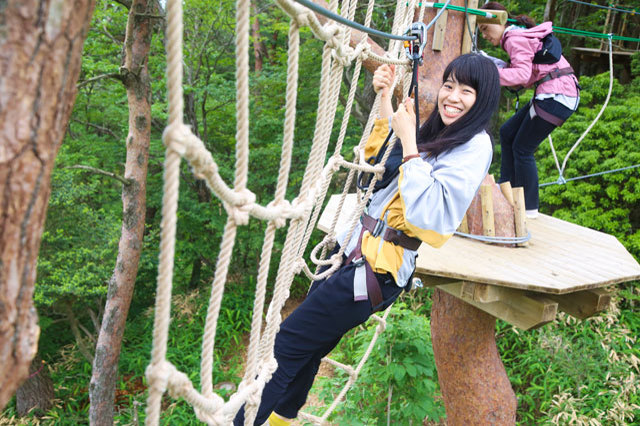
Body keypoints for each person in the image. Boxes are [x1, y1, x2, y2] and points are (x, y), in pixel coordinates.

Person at [233, 53, 500, 426]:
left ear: (482, 99)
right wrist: (386, 101)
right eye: (449, 86)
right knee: (309, 349)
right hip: (355, 252)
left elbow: (432, 216)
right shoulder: (441, 133)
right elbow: (380, 169)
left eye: (466, 91)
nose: (452, 96)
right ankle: (280, 420)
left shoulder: (474, 146)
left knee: (287, 344)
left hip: (375, 269)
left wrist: (410, 139)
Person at [478, 2, 580, 218]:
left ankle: (529, 208)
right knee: (507, 133)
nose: (485, 35)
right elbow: (523, 74)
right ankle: (507, 193)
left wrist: (486, 73)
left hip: (556, 95)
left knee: (523, 148)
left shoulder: (514, 38)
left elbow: (521, 76)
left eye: (486, 28)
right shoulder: (520, 36)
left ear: (501, 20)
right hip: (556, 93)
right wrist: (488, 62)